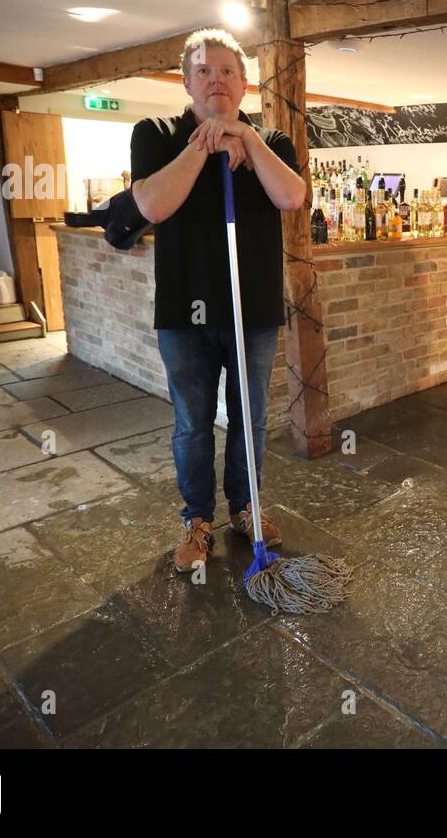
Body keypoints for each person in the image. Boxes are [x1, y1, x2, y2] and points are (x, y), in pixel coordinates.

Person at [130, 29, 307, 572]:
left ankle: (246, 506)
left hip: (250, 307)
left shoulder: (272, 140)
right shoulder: (155, 134)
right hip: (184, 309)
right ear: (186, 81)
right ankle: (197, 519)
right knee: (192, 421)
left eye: (227, 71)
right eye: (204, 71)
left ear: (244, 83)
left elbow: (292, 196)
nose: (217, 80)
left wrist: (246, 140)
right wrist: (203, 143)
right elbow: (153, 206)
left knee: (249, 418)